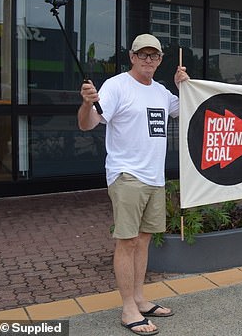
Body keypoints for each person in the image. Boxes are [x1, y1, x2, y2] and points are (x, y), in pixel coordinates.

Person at [78, 34, 189, 336]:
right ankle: (128, 308)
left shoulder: (162, 92)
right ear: (132, 57)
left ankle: (140, 299)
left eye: (154, 56)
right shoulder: (116, 86)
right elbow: (88, 124)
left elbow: (189, 108)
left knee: (143, 240)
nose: (148, 60)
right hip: (127, 176)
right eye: (143, 55)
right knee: (126, 242)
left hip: (154, 177)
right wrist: (87, 104)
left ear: (161, 59)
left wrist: (185, 86)